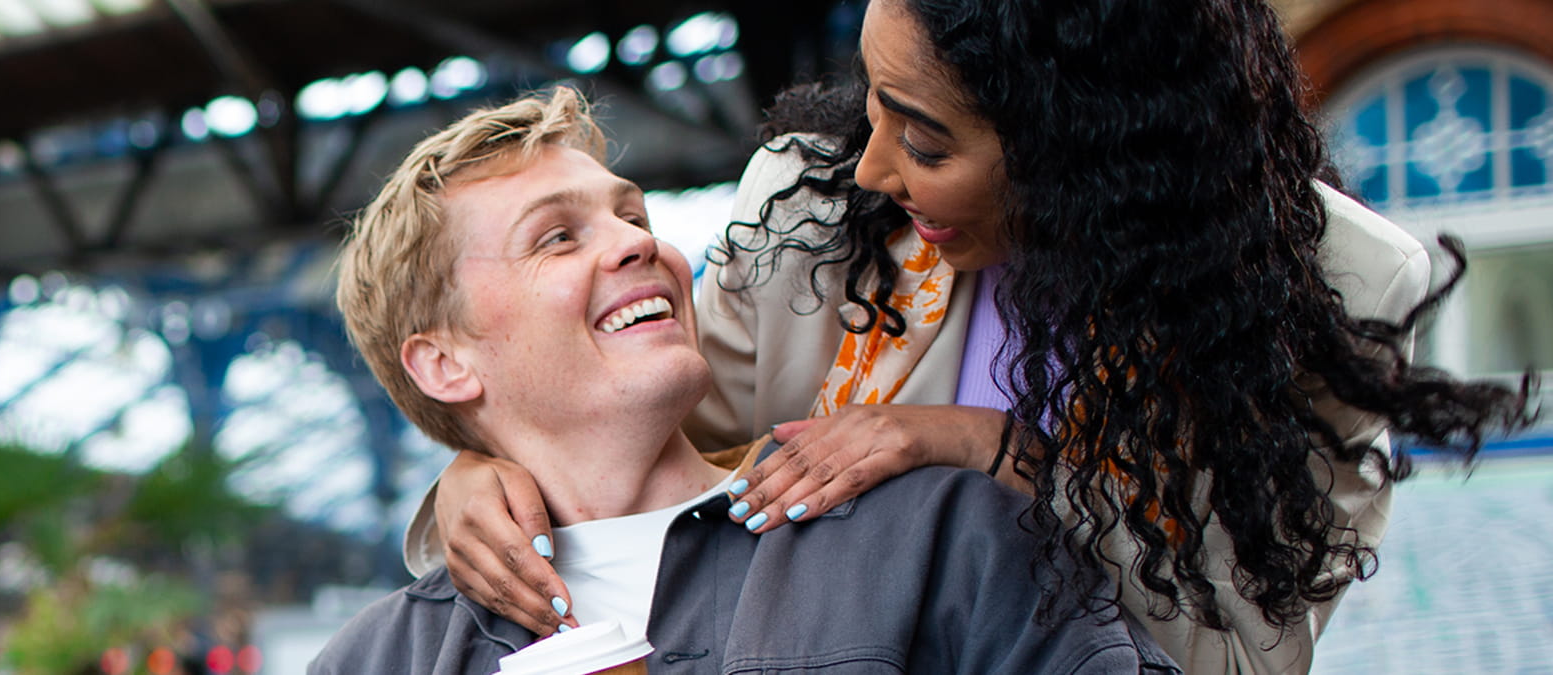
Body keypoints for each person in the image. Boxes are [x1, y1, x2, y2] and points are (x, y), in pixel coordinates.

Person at [418, 0, 1539, 672]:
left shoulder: (1330, 292)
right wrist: (482, 468)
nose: (873, 166)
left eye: (926, 137)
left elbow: (1233, 656)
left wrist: (978, 445)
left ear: (1078, 148)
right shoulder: (818, 215)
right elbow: (631, 446)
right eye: (873, 101)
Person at [312, 86, 1175, 675]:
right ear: (443, 364)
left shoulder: (941, 536)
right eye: (556, 238)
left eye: (632, 216)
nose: (638, 242)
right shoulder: (379, 655)